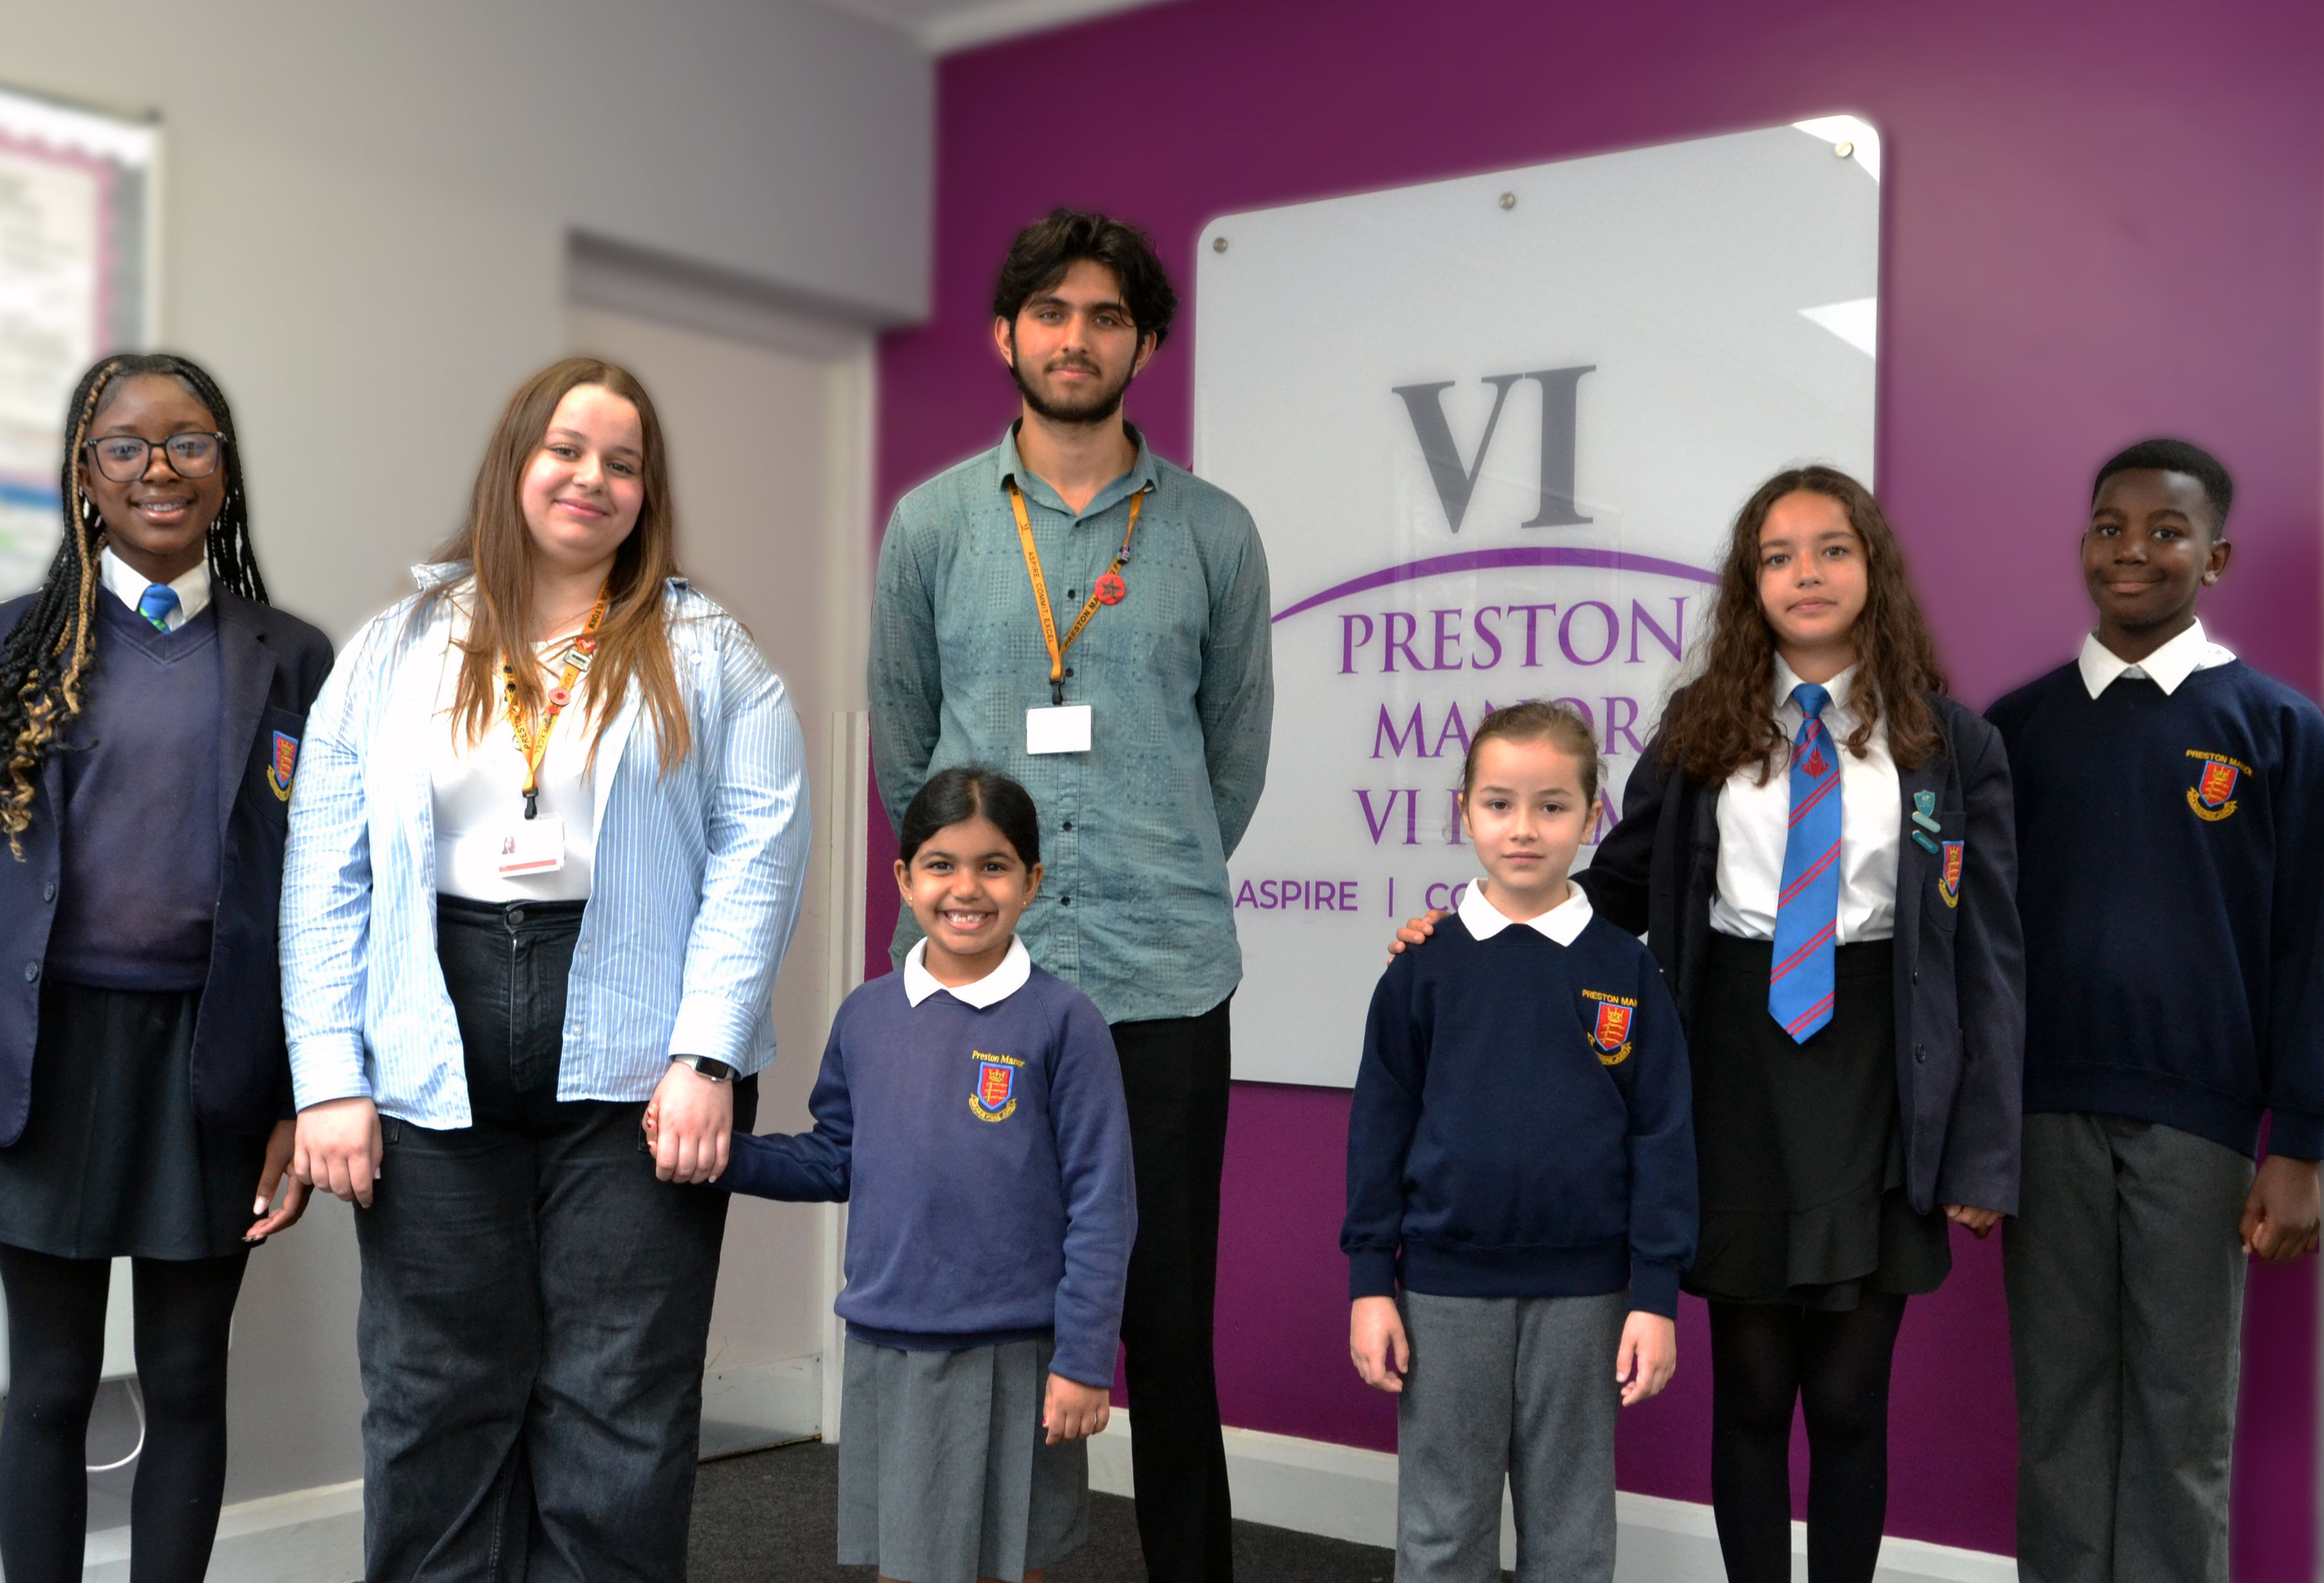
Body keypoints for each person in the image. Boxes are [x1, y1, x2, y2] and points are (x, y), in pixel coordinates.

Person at [1393, 467, 2022, 1583]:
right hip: (1732, 1072)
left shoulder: (1951, 745)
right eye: (1778, 557)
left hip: (1881, 1076)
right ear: (1750, 584)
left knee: (1849, 1397)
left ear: (1873, 568)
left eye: (1831, 549)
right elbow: (1614, 888)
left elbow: (1991, 954)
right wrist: (1470, 931)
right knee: (1753, 1390)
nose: (1806, 574)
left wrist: (1984, 1148)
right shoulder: (1705, 726)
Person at [278, 357, 810, 1579]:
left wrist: (709, 1056)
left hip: (645, 1054)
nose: (593, 478)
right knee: (431, 1390)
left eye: (624, 462)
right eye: (567, 449)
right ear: (515, 461)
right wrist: (328, 1076)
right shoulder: (398, 645)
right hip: (429, 1036)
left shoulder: (708, 651)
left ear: (647, 493)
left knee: (622, 1396)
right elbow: (324, 871)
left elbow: (760, 856)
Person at [869, 207, 1272, 1582]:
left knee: (1167, 1324)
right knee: (977, 1308)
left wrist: (1159, 854)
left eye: (1106, 316)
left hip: (1164, 973)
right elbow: (907, 755)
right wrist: (971, 902)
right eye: (1051, 312)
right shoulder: (931, 526)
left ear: (1144, 344)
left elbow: (1232, 758)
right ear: (1006, 335)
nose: (1076, 338)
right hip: (978, 984)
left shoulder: (1213, 532)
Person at [0, 352, 330, 1583]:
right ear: (84, 476)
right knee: (49, 1383)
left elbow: (319, 897)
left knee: (188, 1378)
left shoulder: (293, 656)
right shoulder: (6, 646)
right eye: (126, 446)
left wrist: (303, 1092)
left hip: (217, 1062)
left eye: (189, 441)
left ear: (223, 469)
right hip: (44, 1065)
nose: (159, 468)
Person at [1988, 438, 2323, 1583]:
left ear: (2214, 558)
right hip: (2042, 1124)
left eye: (2166, 532)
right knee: (2059, 1415)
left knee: (2183, 1420)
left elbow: (2311, 947)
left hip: (2202, 1129)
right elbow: (1977, 947)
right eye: (2110, 527)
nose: (2133, 550)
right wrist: (1973, 1130)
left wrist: (2302, 1145)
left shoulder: (2278, 729)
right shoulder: (2016, 730)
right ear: (2084, 545)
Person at [709, 765, 1136, 1583]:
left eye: (993, 865)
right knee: (905, 1566)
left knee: (1011, 1565)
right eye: (942, 865)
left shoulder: (1066, 1023)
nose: (966, 888)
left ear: (1032, 881)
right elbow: (835, 1157)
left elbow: (1103, 1204)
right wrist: (723, 1156)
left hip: (1017, 1353)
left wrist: (1084, 1360)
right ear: (906, 880)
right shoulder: (866, 1016)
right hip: (891, 1345)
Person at [1345, 702, 1693, 1583]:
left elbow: (1662, 1134)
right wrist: (1369, 1283)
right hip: (1443, 1290)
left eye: (1552, 806)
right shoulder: (1423, 967)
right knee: (1442, 1529)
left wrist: (1655, 1294)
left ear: (1592, 816)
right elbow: (1379, 1130)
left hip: (1588, 1295)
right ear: (1464, 810)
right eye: (1499, 804)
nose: (1525, 829)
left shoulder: (1627, 968)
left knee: (1572, 1535)